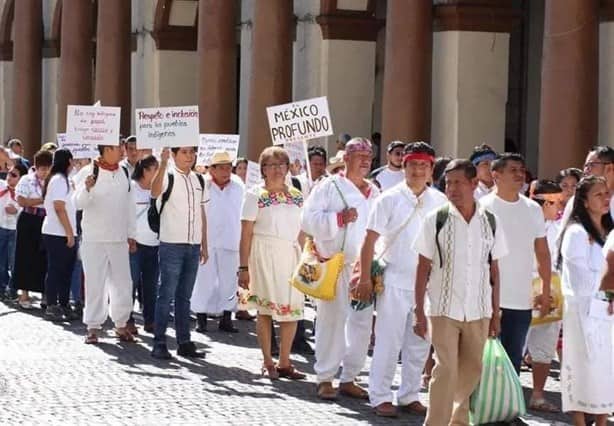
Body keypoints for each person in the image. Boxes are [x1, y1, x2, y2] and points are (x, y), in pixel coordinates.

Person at [413, 159, 507, 426]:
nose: (451, 188)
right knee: (446, 370)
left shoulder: (490, 221)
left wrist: (496, 313)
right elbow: (422, 268)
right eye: (447, 183)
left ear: (474, 183)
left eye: (457, 182)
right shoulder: (436, 220)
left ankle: (459, 421)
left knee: (471, 371)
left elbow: (496, 271)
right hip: (443, 308)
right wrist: (419, 311)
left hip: (479, 310)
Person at [360, 142, 447, 417]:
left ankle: (409, 394)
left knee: (420, 341)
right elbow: (370, 239)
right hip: (395, 279)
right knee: (388, 340)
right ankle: (380, 395)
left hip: (428, 285)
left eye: (423, 165)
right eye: (413, 165)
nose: (418, 170)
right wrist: (363, 277)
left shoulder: (440, 201)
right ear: (404, 166)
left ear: (431, 169)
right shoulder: (388, 198)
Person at [302, 137, 380, 400]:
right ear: (346, 159)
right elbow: (308, 221)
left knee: (361, 322)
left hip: (364, 268)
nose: (365, 162)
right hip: (335, 265)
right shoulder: (329, 186)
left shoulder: (374, 191)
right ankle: (325, 377)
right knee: (332, 321)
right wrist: (338, 218)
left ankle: (349, 377)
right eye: (360, 157)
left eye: (369, 158)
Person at [238, 146, 306, 380]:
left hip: (290, 254)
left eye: (281, 165)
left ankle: (285, 361)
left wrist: (306, 256)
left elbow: (302, 229)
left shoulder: (297, 194)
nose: (277, 170)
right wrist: (243, 267)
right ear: (263, 170)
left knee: (292, 310)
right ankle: (268, 360)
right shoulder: (255, 194)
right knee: (265, 309)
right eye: (271, 165)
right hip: (263, 253)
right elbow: (246, 231)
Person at [480, 153, 551, 374]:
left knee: (512, 363)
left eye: (522, 170)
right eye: (513, 170)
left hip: (521, 300)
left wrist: (546, 290)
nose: (520, 175)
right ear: (496, 175)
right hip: (486, 298)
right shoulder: (482, 207)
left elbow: (542, 252)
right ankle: (478, 406)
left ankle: (508, 407)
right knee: (483, 360)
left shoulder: (532, 209)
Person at [559, 176, 614, 425]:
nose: (606, 198)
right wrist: (605, 285)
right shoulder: (575, 233)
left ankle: (602, 420)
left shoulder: (609, 233)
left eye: (607, 193)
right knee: (583, 366)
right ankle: (580, 421)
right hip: (582, 310)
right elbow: (580, 279)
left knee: (606, 367)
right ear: (584, 200)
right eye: (598, 194)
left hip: (608, 310)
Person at [75, 143, 137, 344]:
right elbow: (78, 203)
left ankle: (121, 324)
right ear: (106, 149)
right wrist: (87, 188)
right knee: (95, 283)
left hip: (118, 238)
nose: (122, 150)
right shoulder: (88, 170)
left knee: (122, 283)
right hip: (94, 238)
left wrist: (131, 233)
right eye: (118, 146)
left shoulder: (124, 172)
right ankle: (92, 327)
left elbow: (130, 205)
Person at [150, 146, 208, 360]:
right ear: (174, 155)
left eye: (192, 152)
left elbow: (202, 212)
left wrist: (204, 243)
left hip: (192, 245)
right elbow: (155, 193)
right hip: (171, 243)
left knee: (184, 296)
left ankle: (184, 342)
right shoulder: (167, 175)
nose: (190, 156)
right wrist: (163, 163)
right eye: (184, 152)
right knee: (166, 294)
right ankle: (159, 342)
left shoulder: (199, 179)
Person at [521, 180, 564, 412]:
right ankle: (507, 391)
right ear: (542, 202)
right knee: (515, 340)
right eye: (555, 202)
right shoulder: (521, 222)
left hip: (552, 288)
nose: (559, 208)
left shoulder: (559, 226)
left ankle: (537, 394)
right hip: (521, 286)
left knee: (544, 343)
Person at [191, 151, 244, 334]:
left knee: (229, 281)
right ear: (212, 169)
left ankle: (227, 317)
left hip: (231, 239)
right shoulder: (202, 184)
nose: (225, 172)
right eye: (221, 168)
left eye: (228, 167)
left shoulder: (238, 186)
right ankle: (201, 317)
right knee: (203, 280)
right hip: (207, 240)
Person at [41, 149, 79, 322]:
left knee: (66, 270)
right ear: (69, 161)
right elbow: (59, 207)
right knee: (56, 269)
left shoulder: (65, 180)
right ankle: (51, 305)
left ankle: (64, 304)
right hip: (57, 233)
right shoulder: (58, 180)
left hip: (63, 232)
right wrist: (69, 233)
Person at [14, 149, 52, 309]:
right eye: (42, 169)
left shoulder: (52, 181)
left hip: (45, 219)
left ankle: (45, 294)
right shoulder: (26, 180)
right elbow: (22, 200)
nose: (45, 172)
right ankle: (24, 293)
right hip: (29, 220)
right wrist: (42, 200)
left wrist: (39, 201)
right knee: (25, 255)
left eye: (48, 168)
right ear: (36, 167)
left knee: (44, 257)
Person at [127, 155, 159, 334]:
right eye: (155, 169)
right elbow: (125, 214)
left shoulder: (159, 189)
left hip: (154, 244)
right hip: (135, 244)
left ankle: (150, 319)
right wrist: (129, 236)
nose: (158, 173)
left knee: (151, 284)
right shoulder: (132, 188)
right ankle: (128, 319)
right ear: (145, 170)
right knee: (130, 283)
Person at [0, 162, 26, 300]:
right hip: (1, 227)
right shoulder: (1, 186)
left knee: (13, 261)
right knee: (1, 261)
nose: (9, 177)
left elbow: (26, 208)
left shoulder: (23, 191)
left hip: (15, 230)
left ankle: (13, 288)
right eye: (9, 173)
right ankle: (2, 287)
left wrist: (16, 211)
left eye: (14, 175)